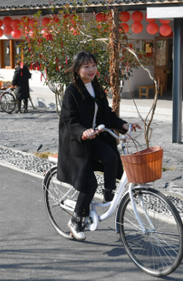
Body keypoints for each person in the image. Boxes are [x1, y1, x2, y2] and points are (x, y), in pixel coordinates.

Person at [57, 51, 140, 241]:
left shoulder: (95, 87)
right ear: (77, 70)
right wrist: (82, 132)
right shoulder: (71, 91)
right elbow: (69, 121)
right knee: (90, 183)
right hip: (77, 143)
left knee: (112, 156)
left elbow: (107, 114)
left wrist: (123, 125)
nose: (92, 69)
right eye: (86, 66)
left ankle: (109, 194)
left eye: (93, 65)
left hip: (95, 138)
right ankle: (76, 221)